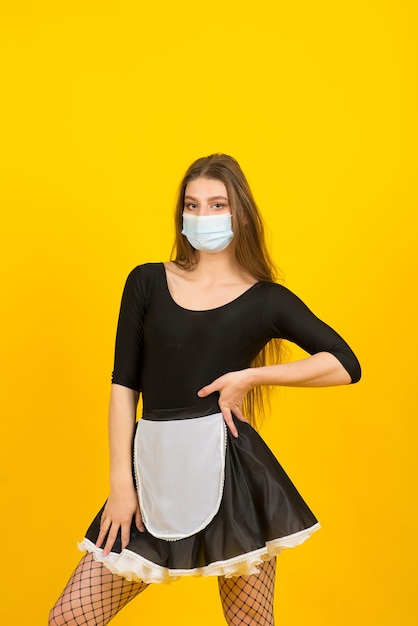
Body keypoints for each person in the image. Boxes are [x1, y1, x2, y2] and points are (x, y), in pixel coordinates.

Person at [49, 154, 361, 626]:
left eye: (218, 205)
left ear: (241, 213)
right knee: (71, 616)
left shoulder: (266, 300)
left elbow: (345, 364)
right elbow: (123, 386)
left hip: (231, 474)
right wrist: (120, 485)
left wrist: (251, 377)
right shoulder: (147, 282)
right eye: (192, 205)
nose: (203, 216)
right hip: (150, 469)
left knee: (250, 623)